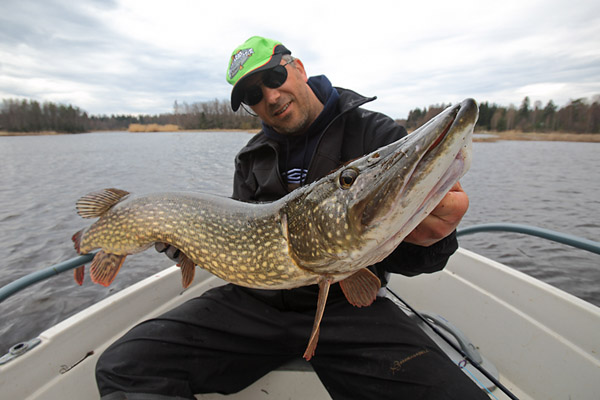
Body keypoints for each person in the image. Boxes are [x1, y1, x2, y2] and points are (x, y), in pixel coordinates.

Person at [95, 36, 486, 399]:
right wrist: (183, 247)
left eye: (273, 77)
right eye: (253, 94)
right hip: (253, 305)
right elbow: (232, 241)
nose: (270, 95)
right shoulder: (251, 156)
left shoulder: (373, 132)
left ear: (297, 67)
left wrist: (434, 237)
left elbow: (407, 249)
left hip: (345, 309)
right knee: (122, 368)